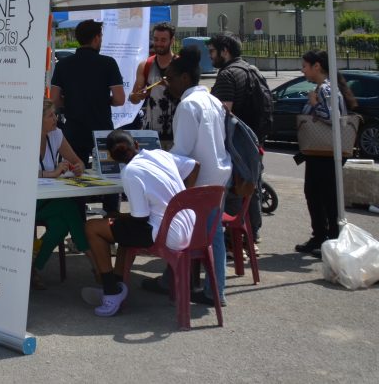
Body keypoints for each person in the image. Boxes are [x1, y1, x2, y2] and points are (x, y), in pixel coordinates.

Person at [82, 129, 200, 317]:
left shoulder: (130, 172)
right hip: (190, 227)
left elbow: (139, 218)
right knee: (120, 231)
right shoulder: (160, 155)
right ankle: (118, 284)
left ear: (112, 157)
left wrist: (117, 217)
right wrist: (185, 195)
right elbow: (195, 166)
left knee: (92, 228)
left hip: (166, 233)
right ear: (136, 145)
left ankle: (110, 291)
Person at [155, 45, 232, 307]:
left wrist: (155, 161)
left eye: (171, 79)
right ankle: (211, 288)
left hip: (198, 181)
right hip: (218, 176)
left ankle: (209, 289)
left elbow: (182, 152)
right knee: (213, 234)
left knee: (190, 231)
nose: (167, 85)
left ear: (185, 78)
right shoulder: (212, 100)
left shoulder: (188, 106)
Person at [209, 32, 269, 241]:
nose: (210, 57)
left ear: (224, 51)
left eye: (212, 52)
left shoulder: (227, 75)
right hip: (255, 141)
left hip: (236, 144)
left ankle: (236, 239)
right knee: (252, 189)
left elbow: (223, 112)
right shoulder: (253, 70)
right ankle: (252, 235)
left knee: (236, 191)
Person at [294, 49, 355, 258]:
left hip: (324, 153)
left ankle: (328, 238)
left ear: (316, 66)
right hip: (321, 152)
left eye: (305, 66)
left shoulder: (325, 89)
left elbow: (331, 117)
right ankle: (321, 236)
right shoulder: (326, 88)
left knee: (322, 196)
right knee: (316, 194)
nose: (303, 70)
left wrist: (313, 105)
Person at [49, 19, 126, 170]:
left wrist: (73, 100)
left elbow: (54, 99)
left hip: (74, 130)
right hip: (102, 129)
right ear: (97, 38)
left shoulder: (63, 65)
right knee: (107, 173)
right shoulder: (108, 63)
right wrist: (102, 100)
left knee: (75, 176)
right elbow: (119, 99)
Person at [32, 98, 88, 289]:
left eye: (55, 114)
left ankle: (34, 269)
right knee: (68, 207)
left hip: (48, 200)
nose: (55, 118)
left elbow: (78, 161)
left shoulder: (56, 134)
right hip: (27, 202)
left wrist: (78, 167)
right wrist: (52, 173)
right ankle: (87, 251)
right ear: (37, 120)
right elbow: (19, 172)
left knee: (60, 225)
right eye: (50, 115)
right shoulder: (24, 137)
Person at [128, 22, 177, 147]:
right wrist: (137, 96)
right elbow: (133, 98)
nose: (159, 43)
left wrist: (171, 87)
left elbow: (191, 96)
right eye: (156, 39)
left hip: (177, 133)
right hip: (151, 133)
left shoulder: (180, 65)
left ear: (172, 41)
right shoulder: (145, 65)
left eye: (163, 40)